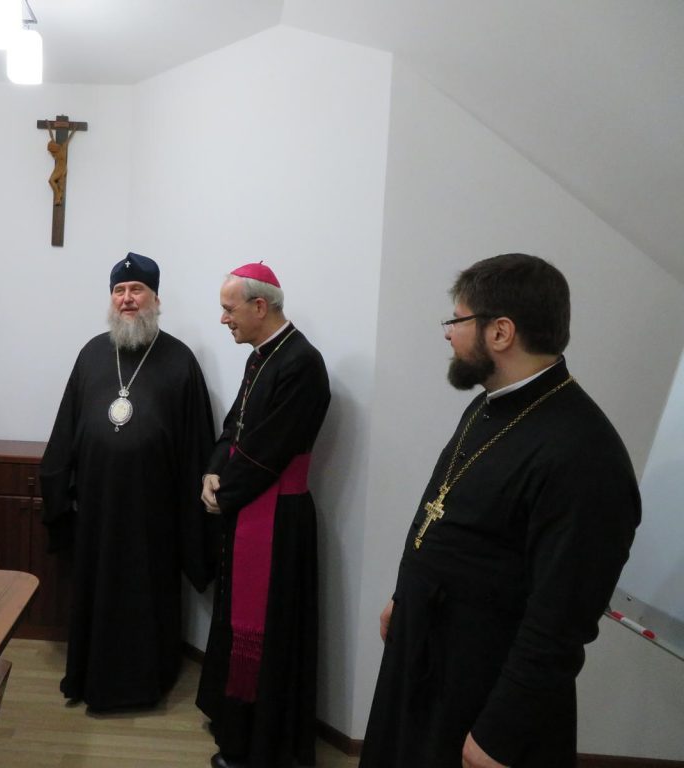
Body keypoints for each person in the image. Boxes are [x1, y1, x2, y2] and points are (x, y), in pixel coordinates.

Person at [359, 254, 640, 768]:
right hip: (427, 650)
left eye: (458, 319)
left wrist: (501, 732)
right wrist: (407, 597)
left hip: (482, 690)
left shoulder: (584, 454)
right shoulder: (491, 403)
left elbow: (561, 619)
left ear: (501, 332)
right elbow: (439, 510)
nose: (448, 333)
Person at [40, 252, 215, 712]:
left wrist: (193, 517)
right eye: (119, 291)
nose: (127, 298)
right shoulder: (93, 353)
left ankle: (145, 682)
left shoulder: (180, 361)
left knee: (145, 598)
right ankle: (89, 677)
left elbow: (197, 444)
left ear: (156, 297)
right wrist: (60, 488)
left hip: (152, 512)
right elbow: (65, 429)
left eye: (137, 290)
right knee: (96, 595)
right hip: (96, 507)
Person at [198, 263, 330, 768]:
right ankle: (238, 727)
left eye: (229, 310)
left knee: (266, 634)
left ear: (259, 306)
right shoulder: (261, 358)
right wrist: (213, 473)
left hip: (279, 519)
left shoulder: (301, 363)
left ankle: (262, 746)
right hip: (250, 508)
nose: (223, 319)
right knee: (239, 624)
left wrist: (224, 492)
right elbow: (236, 427)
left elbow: (270, 450)